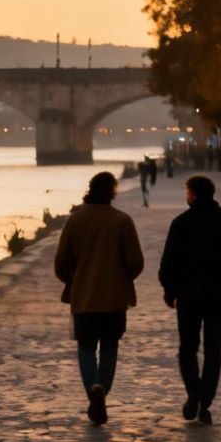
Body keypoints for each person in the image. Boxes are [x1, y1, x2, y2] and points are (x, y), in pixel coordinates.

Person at [158, 174, 221, 425]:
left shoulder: (181, 223)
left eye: (187, 192)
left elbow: (168, 264)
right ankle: (205, 400)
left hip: (188, 297)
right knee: (213, 351)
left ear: (193, 194)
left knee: (187, 349)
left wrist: (170, 291)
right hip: (219, 296)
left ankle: (193, 392)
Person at [54, 171, 144, 425]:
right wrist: (122, 278)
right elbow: (136, 262)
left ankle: (92, 390)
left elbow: (60, 264)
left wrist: (74, 281)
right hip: (115, 299)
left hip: (83, 299)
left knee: (85, 348)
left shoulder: (74, 221)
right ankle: (102, 389)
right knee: (110, 347)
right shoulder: (122, 221)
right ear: (113, 192)